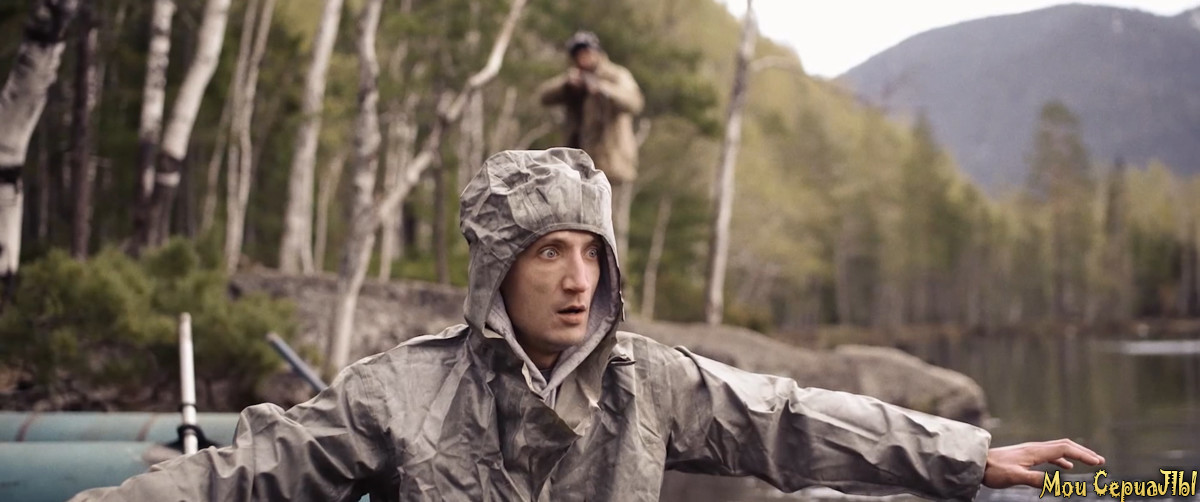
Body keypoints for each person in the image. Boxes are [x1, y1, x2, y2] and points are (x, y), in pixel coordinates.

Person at [71, 149, 1103, 501]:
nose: (577, 280)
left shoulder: (647, 383)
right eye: (547, 253)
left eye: (592, 253)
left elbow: (789, 421)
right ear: (497, 269)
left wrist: (969, 456)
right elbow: (245, 472)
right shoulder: (398, 391)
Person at [538, 31, 643, 265]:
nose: (583, 57)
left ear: (596, 52)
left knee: (610, 223)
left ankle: (615, 275)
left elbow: (634, 101)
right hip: (576, 167)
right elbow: (544, 95)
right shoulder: (574, 77)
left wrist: (602, 89)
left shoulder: (615, 75)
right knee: (578, 222)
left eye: (586, 52)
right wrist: (568, 85)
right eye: (578, 54)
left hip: (611, 163)